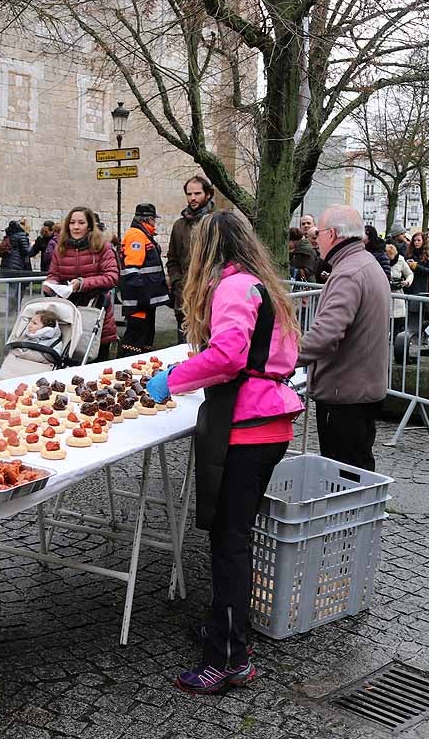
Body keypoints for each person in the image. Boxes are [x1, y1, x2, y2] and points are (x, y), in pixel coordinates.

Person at [144, 209, 302, 694]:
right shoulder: (262, 285)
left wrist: (173, 379)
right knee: (236, 538)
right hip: (270, 424)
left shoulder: (232, 287)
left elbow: (230, 355)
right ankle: (229, 630)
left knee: (229, 543)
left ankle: (229, 658)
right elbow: (270, 356)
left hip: (247, 429)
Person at [297, 206, 390, 472]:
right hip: (361, 389)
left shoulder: (348, 273)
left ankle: (353, 515)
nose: (316, 239)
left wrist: (282, 356)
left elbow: (326, 335)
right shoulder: (365, 263)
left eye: (319, 233)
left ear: (334, 234)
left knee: (344, 474)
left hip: (345, 394)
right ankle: (361, 513)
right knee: (357, 469)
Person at [45, 206, 119, 361]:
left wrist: (83, 283)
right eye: (72, 223)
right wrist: (50, 284)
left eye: (81, 222)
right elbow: (54, 274)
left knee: (95, 363)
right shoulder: (61, 249)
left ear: (89, 225)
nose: (76, 227)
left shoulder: (103, 247)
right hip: (68, 314)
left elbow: (112, 277)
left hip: (96, 312)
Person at [118, 203, 170, 357]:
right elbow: (132, 270)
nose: (155, 223)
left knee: (144, 341)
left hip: (144, 301)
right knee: (134, 342)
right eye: (154, 219)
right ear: (149, 219)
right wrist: (142, 297)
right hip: (140, 302)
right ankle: (124, 371)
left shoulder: (142, 235)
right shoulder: (137, 236)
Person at [167, 175, 217, 331]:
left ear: (208, 194)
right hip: (185, 296)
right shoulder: (179, 226)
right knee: (184, 347)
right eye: (189, 194)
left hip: (211, 295)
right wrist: (178, 283)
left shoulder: (218, 222)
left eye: (197, 193)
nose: (192, 198)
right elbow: (172, 260)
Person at [386, 244, 413, 348]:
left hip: (397, 295)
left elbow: (409, 274)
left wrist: (407, 282)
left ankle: (397, 346)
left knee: (398, 322)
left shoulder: (401, 260)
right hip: (385, 294)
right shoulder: (380, 260)